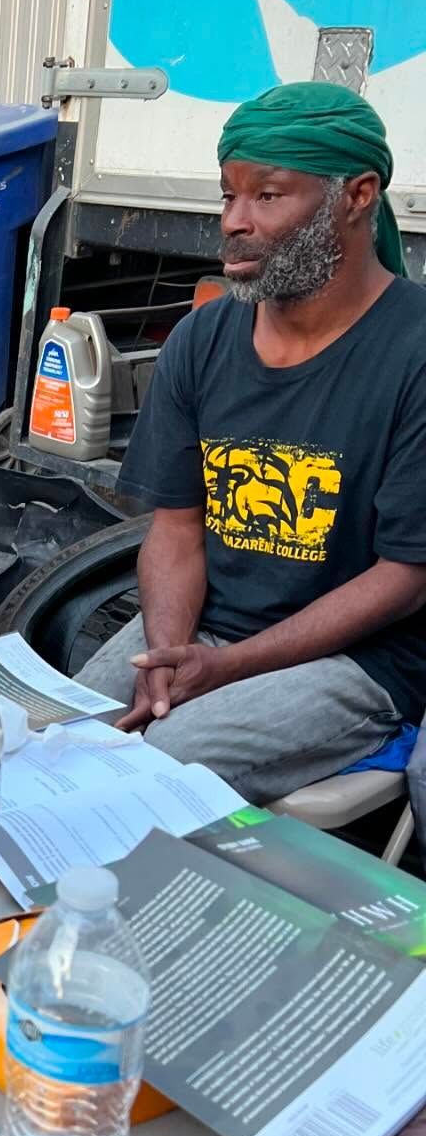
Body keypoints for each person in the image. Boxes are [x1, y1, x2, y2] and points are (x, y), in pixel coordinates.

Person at [75, 82, 426, 803]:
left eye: (267, 197)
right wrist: (171, 651)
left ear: (357, 195)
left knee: (153, 769)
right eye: (227, 196)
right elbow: (176, 527)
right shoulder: (203, 339)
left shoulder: (414, 350)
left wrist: (228, 667)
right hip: (207, 626)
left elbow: (406, 577)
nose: (234, 222)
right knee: (51, 736)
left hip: (363, 657)